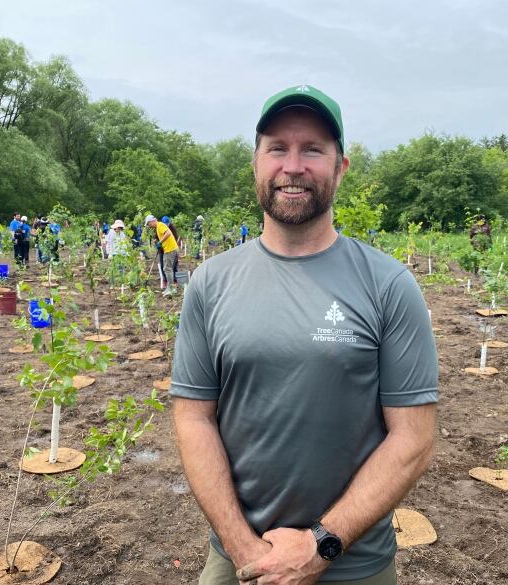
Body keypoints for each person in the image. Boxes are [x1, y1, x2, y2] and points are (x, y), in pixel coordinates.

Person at [170, 85, 438, 585]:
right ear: (255, 163)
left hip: (353, 566)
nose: (293, 166)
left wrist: (320, 545)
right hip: (238, 564)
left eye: (313, 149)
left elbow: (413, 439)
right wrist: (243, 547)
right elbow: (193, 419)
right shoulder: (210, 282)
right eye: (278, 148)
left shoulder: (388, 285)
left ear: (341, 167)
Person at [145, 214, 179, 296]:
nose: (149, 226)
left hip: (170, 249)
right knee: (167, 269)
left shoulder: (160, 225)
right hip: (169, 249)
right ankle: (169, 288)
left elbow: (168, 233)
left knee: (167, 269)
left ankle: (171, 289)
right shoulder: (158, 227)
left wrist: (160, 242)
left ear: (152, 221)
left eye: (149, 224)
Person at [162, 216, 180, 284]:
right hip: (163, 249)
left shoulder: (172, 228)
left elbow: (175, 238)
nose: (166, 225)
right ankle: (165, 279)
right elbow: (157, 237)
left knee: (174, 264)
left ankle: (174, 278)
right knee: (164, 266)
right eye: (164, 223)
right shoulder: (161, 227)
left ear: (169, 223)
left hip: (172, 248)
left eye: (167, 223)